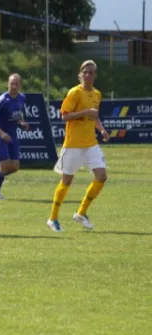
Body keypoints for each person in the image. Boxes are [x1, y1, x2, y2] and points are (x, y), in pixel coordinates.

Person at [47, 60, 109, 232]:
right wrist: (84, 112)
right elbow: (64, 116)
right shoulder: (74, 92)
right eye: (85, 72)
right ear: (80, 75)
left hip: (91, 144)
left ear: (95, 75)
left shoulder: (97, 94)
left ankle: (81, 213)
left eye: (91, 72)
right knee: (67, 180)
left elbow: (94, 117)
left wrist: (102, 129)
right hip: (73, 144)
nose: (88, 75)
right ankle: (53, 218)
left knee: (101, 176)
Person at [0, 73, 29, 200]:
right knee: (4, 166)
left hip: (12, 136)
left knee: (14, 167)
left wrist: (22, 123)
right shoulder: (2, 100)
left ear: (20, 85)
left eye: (16, 84)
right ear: (8, 84)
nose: (13, 86)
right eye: (11, 84)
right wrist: (1, 133)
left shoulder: (21, 98)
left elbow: (18, 115)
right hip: (0, 136)